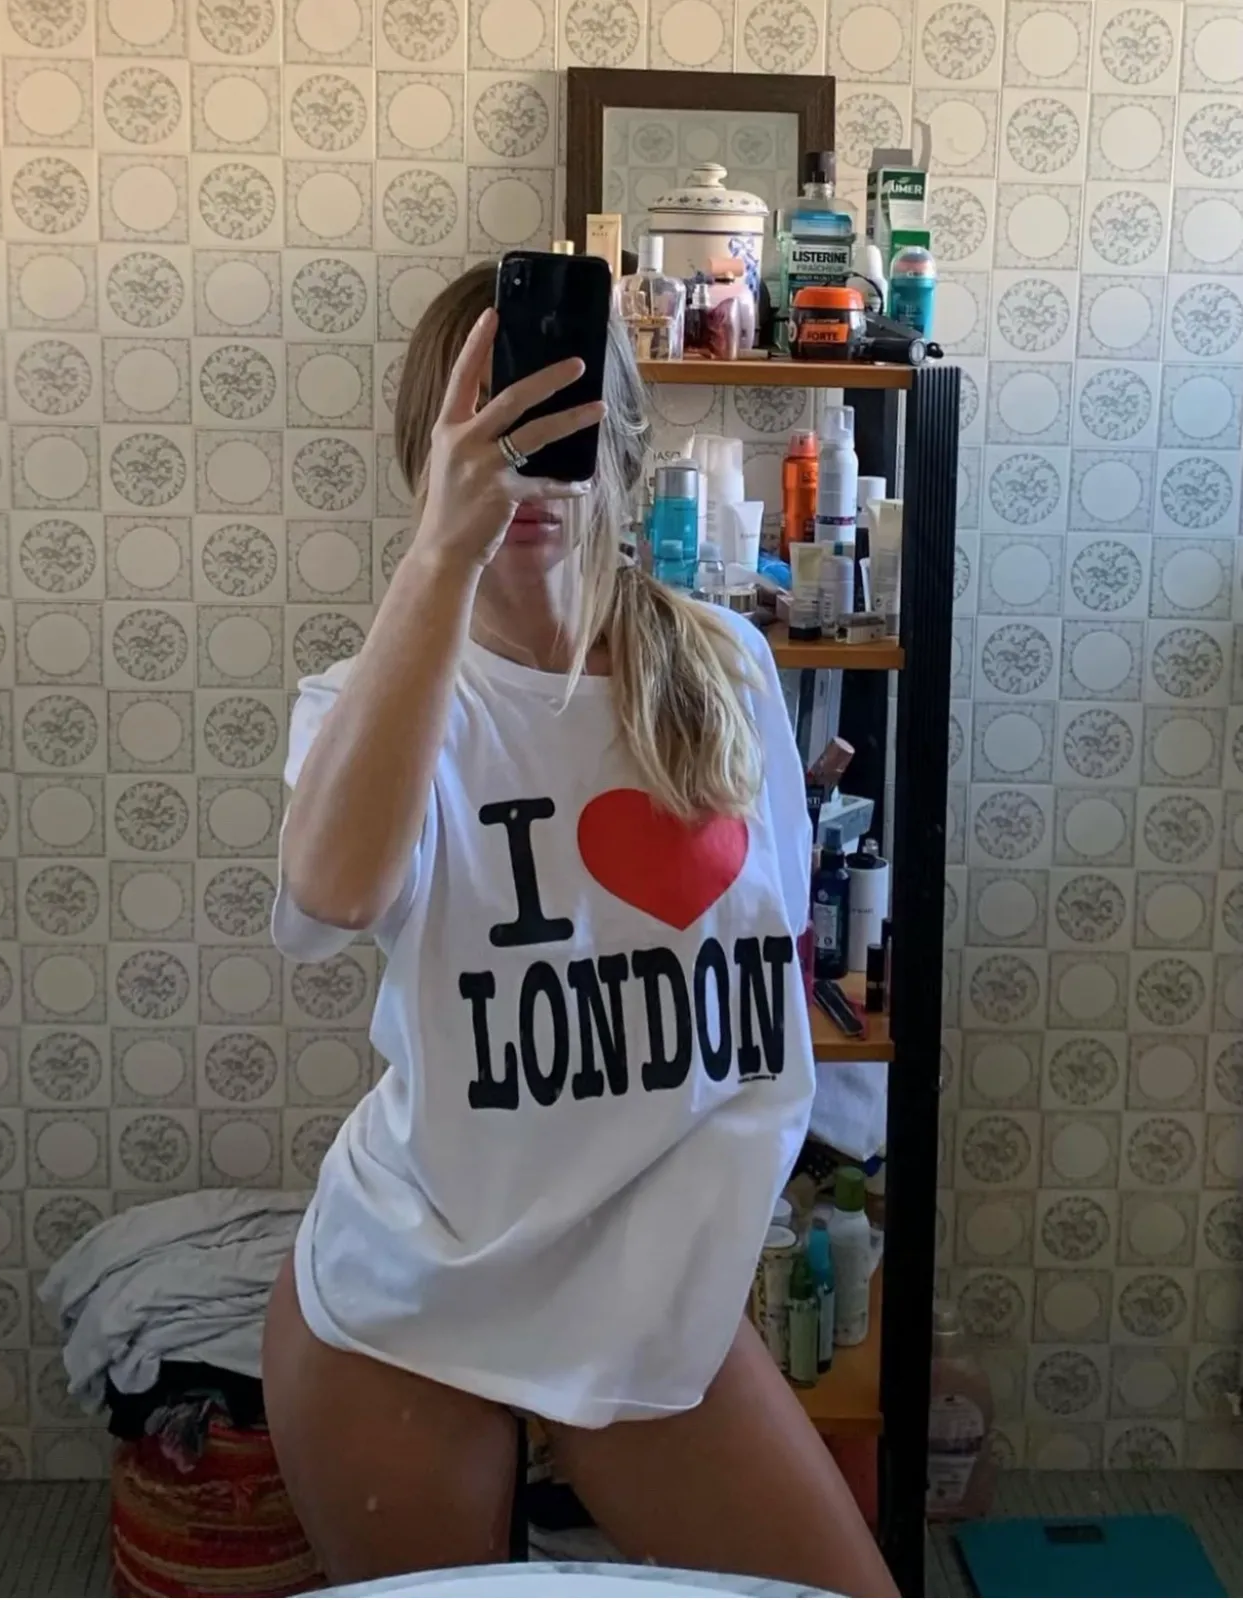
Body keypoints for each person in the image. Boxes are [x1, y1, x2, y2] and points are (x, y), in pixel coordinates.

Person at [263, 263, 896, 1597]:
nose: (527, 462)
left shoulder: (725, 668)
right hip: (410, 1290)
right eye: (487, 418)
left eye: (557, 415)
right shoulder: (371, 701)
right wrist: (442, 554)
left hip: (653, 1297)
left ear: (618, 437)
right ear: (427, 450)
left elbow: (768, 969)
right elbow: (331, 899)